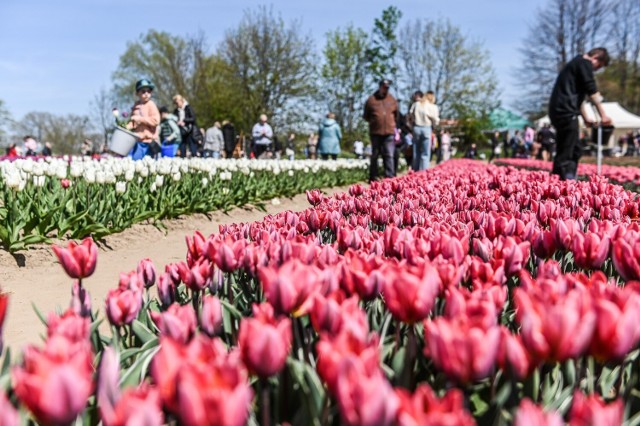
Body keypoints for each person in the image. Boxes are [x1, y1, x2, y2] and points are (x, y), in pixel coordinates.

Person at [549, 47, 611, 180]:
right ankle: (562, 182)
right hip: (565, 111)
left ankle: (565, 180)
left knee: (575, 148)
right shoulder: (584, 63)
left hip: (562, 110)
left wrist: (586, 118)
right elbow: (591, 90)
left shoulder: (576, 64)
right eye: (598, 67)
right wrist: (603, 115)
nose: (596, 70)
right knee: (567, 150)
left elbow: (579, 98)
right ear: (595, 58)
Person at [363, 79, 399, 181]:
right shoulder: (371, 100)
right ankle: (373, 176)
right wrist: (374, 121)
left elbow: (396, 115)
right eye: (384, 87)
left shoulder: (392, 100)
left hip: (389, 131)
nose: (385, 89)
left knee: (389, 154)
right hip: (376, 131)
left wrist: (391, 123)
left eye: (387, 87)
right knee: (375, 154)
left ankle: (389, 176)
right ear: (380, 86)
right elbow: (366, 116)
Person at [127, 79, 160, 159]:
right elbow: (133, 122)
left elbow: (156, 121)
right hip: (138, 141)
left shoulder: (151, 105)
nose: (146, 94)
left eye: (149, 91)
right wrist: (126, 127)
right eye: (143, 91)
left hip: (149, 141)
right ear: (137, 93)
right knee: (136, 162)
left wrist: (141, 119)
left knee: (149, 165)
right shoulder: (135, 106)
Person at [409, 90, 440, 171]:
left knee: (416, 151)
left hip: (416, 128)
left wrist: (414, 120)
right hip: (427, 128)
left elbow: (410, 114)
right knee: (425, 152)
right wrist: (434, 124)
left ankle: (415, 170)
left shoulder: (416, 104)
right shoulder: (433, 106)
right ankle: (423, 172)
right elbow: (436, 120)